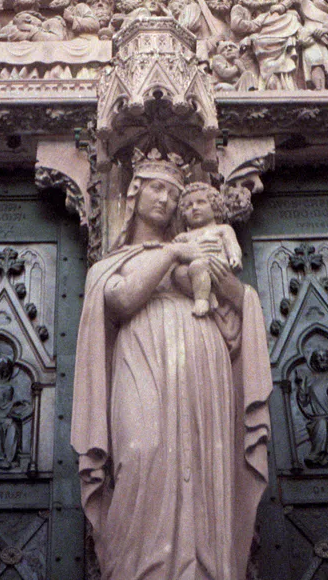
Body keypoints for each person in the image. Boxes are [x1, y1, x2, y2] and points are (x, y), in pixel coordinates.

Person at [71, 153, 271, 580]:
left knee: (204, 461)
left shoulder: (201, 243)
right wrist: (174, 252)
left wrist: (225, 281)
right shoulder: (113, 262)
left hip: (202, 356)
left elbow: (238, 302)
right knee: (141, 453)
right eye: (157, 188)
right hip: (141, 357)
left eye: (174, 193)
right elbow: (122, 300)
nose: (166, 199)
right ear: (134, 191)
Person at [172, 181, 243, 318]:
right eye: (188, 206)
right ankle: (208, 294)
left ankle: (201, 300)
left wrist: (235, 257)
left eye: (201, 202)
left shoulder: (222, 229)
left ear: (214, 206)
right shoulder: (185, 236)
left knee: (198, 265)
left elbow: (231, 244)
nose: (194, 208)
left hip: (217, 265)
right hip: (194, 271)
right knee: (179, 274)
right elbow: (175, 252)